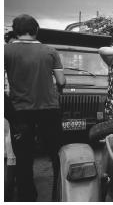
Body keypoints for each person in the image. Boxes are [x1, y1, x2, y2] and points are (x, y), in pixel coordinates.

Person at [4, 14, 66, 201]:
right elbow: (61, 81)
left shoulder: (6, 51)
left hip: (19, 113)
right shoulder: (50, 51)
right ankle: (59, 193)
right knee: (57, 155)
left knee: (24, 159)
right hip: (49, 109)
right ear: (36, 30)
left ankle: (27, 198)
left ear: (15, 31)